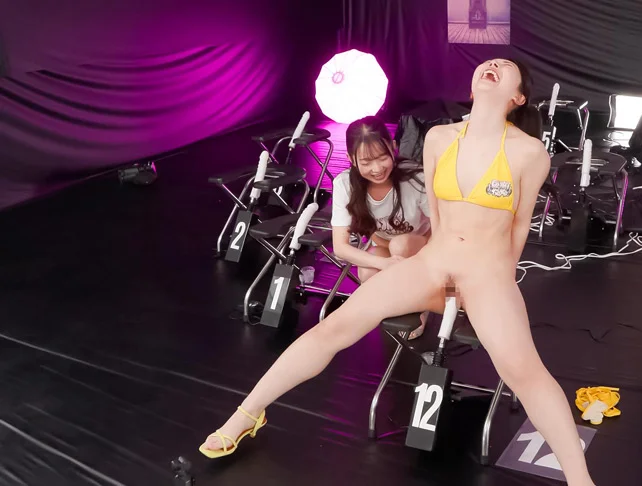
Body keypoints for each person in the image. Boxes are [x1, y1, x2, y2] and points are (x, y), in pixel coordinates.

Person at [199, 59, 595, 486]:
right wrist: (437, 264)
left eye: (506, 66)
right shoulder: (440, 138)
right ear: (472, 85)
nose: (494, 63)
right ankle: (247, 414)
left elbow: (519, 227)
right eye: (489, 62)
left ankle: (580, 480)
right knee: (333, 327)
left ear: (517, 96)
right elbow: (438, 217)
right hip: (432, 265)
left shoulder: (528, 152)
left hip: (487, 275)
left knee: (524, 372)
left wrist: (499, 280)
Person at [330, 116, 432, 339]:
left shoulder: (416, 177)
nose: (377, 169)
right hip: (383, 245)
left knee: (400, 245)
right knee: (368, 272)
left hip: (421, 243)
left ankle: (421, 304)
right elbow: (340, 247)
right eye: (366, 162)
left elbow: (443, 227)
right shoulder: (344, 184)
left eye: (382, 158)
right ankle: (400, 305)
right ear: (351, 159)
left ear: (393, 147)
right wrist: (383, 264)